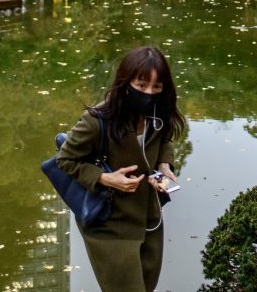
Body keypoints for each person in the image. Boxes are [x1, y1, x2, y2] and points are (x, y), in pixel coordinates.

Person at [56, 45, 186, 292]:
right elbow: (66, 160)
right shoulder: (97, 120)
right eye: (141, 85)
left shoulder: (158, 114)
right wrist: (105, 178)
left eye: (157, 87)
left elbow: (164, 139)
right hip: (109, 225)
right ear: (125, 83)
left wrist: (164, 164)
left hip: (150, 220)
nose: (149, 93)